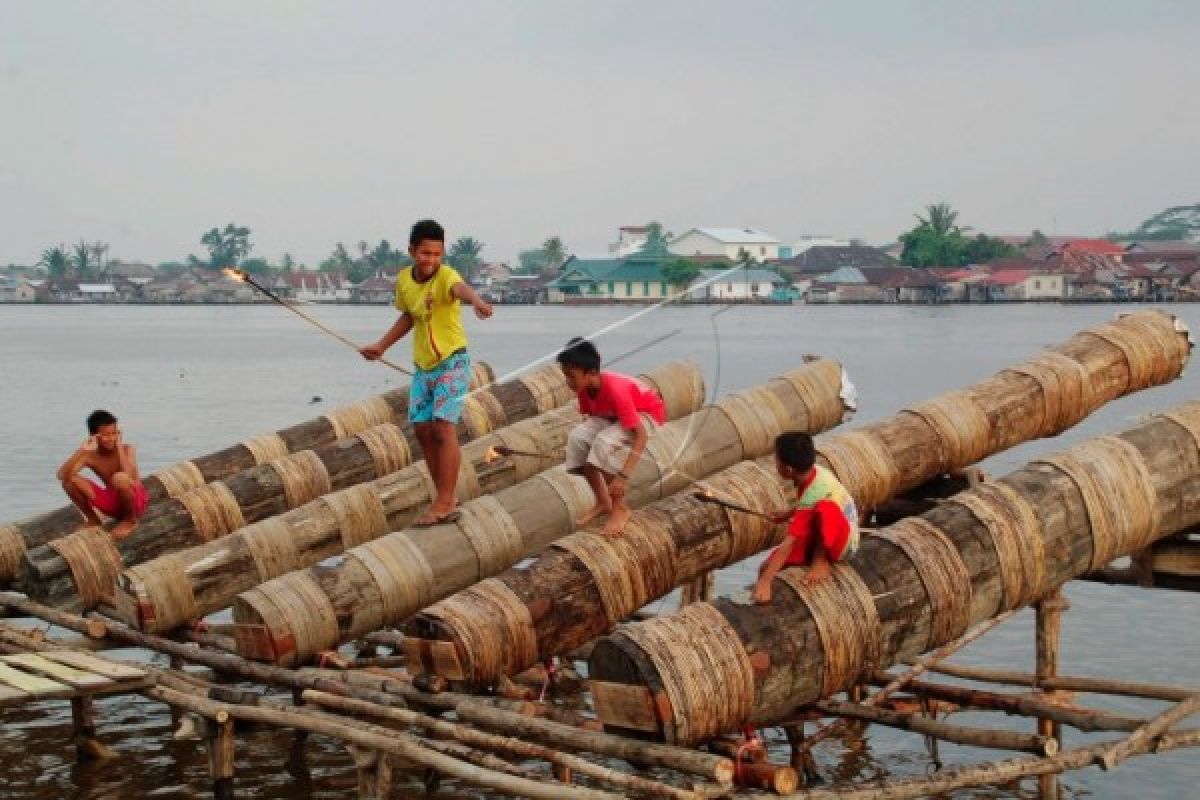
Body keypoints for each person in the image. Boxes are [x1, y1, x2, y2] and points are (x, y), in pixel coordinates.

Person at [360, 219, 493, 526]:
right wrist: (381, 346)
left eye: (437, 254)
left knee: (443, 427)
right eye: (425, 253)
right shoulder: (405, 282)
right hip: (423, 367)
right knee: (422, 430)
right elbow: (409, 317)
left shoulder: (446, 276)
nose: (431, 260)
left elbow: (459, 289)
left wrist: (477, 301)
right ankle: (444, 495)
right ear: (412, 251)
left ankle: (445, 501)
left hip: (453, 361)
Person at [557, 337, 666, 537]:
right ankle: (603, 501)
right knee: (577, 439)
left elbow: (641, 436)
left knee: (603, 442)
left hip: (647, 415)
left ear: (591, 372)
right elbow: (591, 419)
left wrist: (623, 477)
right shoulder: (584, 389)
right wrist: (586, 453)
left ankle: (620, 507)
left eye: (572, 376)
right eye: (566, 376)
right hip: (613, 416)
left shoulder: (616, 390)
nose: (568, 382)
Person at [753, 431, 859, 602]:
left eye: (776, 460)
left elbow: (789, 543)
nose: (775, 464)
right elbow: (807, 505)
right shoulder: (814, 473)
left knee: (826, 508)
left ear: (788, 469)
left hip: (843, 542)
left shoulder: (814, 492)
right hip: (821, 531)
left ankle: (821, 559)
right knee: (764, 567)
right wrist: (787, 514)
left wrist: (766, 581)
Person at [57, 409, 148, 540]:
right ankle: (93, 519)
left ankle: (130, 521)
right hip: (112, 504)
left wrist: (119, 446)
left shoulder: (128, 449)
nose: (111, 438)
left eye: (114, 433)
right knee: (69, 481)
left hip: (135, 501)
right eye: (105, 435)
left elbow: (128, 475)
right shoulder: (89, 455)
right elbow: (62, 475)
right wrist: (81, 450)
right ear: (94, 436)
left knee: (120, 478)